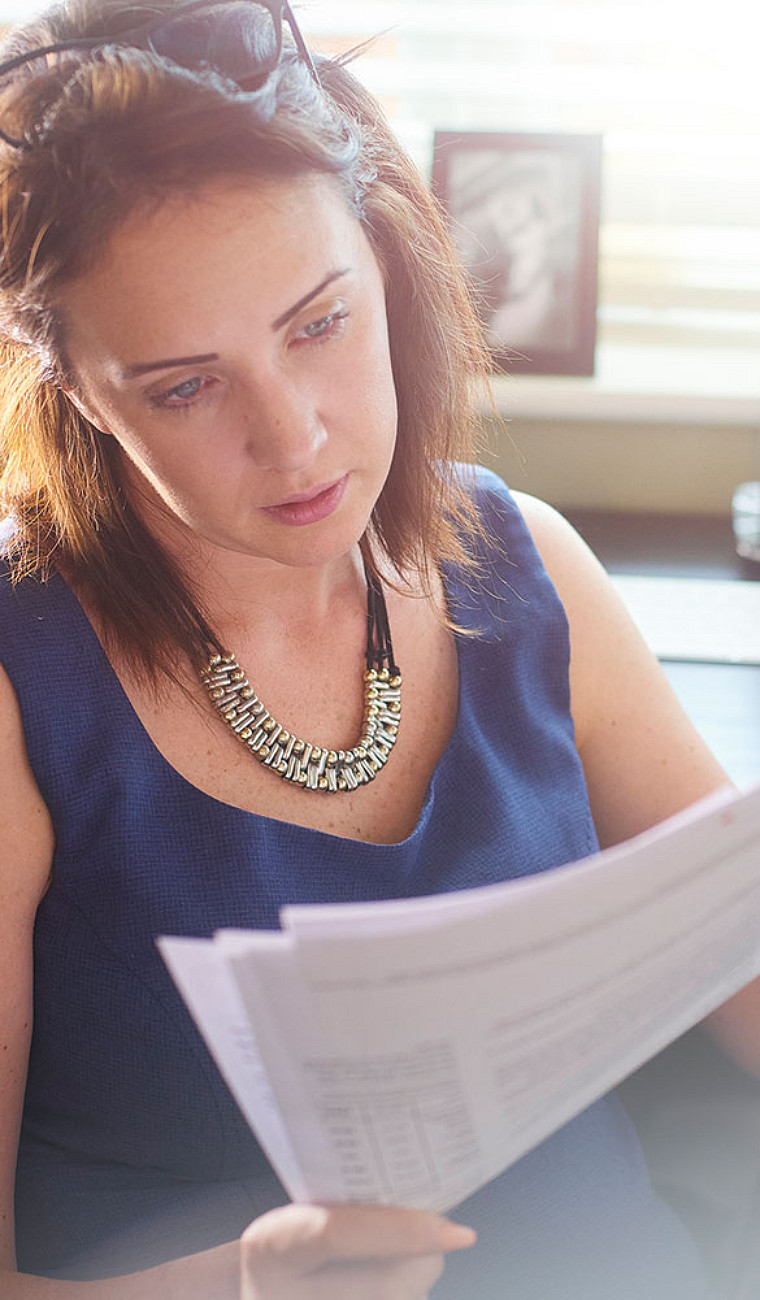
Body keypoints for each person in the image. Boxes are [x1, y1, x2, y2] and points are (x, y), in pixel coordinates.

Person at [0, 2, 755, 1296]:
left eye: (320, 324)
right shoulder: (24, 688)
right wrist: (243, 1286)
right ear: (76, 390)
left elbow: (739, 966)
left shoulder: (528, 563)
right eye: (185, 386)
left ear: (389, 269)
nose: (294, 439)